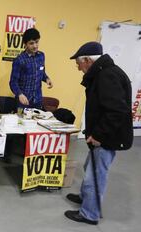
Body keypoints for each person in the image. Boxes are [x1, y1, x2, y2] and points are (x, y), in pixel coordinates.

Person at [64, 42, 133, 225]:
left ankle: (90, 214)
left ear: (87, 60)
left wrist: (99, 135)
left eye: (78, 64)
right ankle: (87, 198)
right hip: (102, 135)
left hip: (106, 138)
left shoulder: (107, 76)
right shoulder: (104, 73)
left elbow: (116, 111)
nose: (78, 68)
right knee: (90, 168)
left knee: (95, 175)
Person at [9, 28, 53, 109]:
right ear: (25, 44)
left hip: (38, 99)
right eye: (31, 43)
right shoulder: (19, 60)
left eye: (37, 42)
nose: (35, 46)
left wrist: (46, 78)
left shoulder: (41, 56)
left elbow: (41, 71)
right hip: (23, 101)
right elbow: (13, 82)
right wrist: (19, 94)